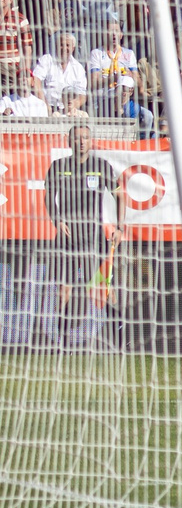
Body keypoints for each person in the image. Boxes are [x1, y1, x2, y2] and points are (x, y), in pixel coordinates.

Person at [42, 123, 124, 348]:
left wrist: (120, 227)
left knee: (106, 290)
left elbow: (120, 195)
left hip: (95, 239)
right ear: (69, 142)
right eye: (77, 138)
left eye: (85, 138)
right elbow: (48, 197)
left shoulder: (100, 166)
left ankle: (121, 339)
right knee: (63, 291)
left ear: (91, 141)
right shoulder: (58, 166)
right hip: (67, 240)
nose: (81, 142)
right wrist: (57, 220)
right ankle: (64, 342)